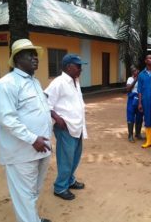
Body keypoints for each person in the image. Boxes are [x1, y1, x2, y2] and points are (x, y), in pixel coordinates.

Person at [0, 39, 52, 222]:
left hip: (41, 148)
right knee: (24, 195)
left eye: (36, 54)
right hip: (22, 153)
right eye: (30, 54)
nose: (35, 58)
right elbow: (7, 119)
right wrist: (33, 139)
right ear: (18, 58)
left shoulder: (35, 82)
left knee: (33, 191)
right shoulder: (7, 84)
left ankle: (32, 218)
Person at [45, 54, 87, 200]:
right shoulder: (59, 82)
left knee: (75, 157)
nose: (81, 69)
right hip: (65, 128)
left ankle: (70, 180)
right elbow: (45, 103)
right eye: (78, 66)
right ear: (68, 67)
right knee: (65, 158)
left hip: (77, 126)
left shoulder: (75, 81)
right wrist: (57, 118)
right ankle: (60, 187)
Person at [126, 65, 144, 142]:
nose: (135, 72)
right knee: (130, 117)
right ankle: (130, 135)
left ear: (139, 70)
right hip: (132, 99)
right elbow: (128, 89)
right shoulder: (130, 79)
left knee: (140, 116)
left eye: (136, 70)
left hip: (140, 99)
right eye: (133, 71)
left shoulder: (142, 79)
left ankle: (138, 133)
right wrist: (135, 80)